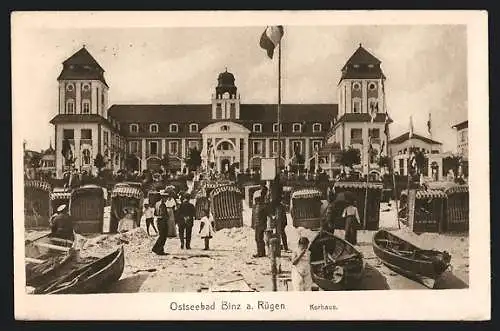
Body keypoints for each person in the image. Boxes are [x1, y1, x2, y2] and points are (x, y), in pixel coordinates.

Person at [252, 187, 269, 258]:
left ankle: (260, 253)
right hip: (260, 223)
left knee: (258, 238)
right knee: (259, 238)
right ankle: (262, 252)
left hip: (259, 224)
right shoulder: (263, 205)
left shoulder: (261, 205)